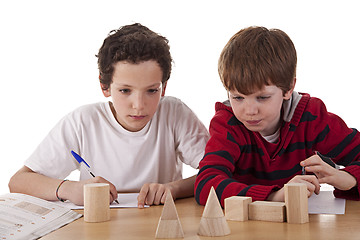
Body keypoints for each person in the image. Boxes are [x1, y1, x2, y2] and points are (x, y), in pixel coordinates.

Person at [9, 23, 209, 208]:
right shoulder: (83, 121)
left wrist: (174, 189)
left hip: (157, 223)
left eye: (151, 91)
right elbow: (18, 181)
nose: (139, 106)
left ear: (164, 87)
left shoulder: (175, 113)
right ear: (105, 86)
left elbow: (217, 172)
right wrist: (68, 189)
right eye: (124, 91)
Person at [194, 26, 360, 207]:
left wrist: (348, 178)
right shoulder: (227, 124)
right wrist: (275, 196)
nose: (249, 111)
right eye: (238, 97)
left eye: (262, 97)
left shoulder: (310, 116)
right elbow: (206, 185)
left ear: (288, 88)